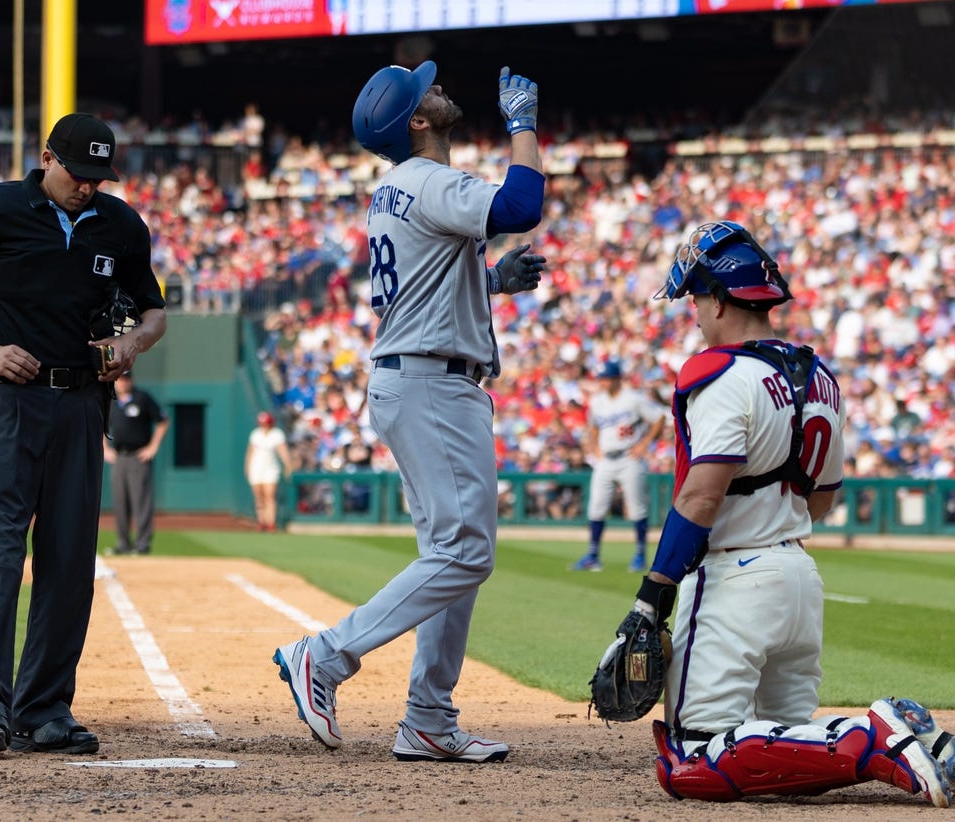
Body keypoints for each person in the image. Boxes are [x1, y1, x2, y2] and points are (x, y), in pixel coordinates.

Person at [614, 220, 955, 805]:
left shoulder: (718, 372)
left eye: (694, 296)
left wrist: (652, 592)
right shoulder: (821, 378)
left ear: (717, 299)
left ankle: (875, 739)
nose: (691, 310)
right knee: (789, 752)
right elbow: (822, 498)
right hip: (798, 579)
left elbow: (700, 496)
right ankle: (913, 745)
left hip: (733, 580)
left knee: (693, 759)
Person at [273, 62, 546, 762]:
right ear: (416, 122)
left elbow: (418, 286)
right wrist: (522, 126)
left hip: (419, 376)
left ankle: (428, 717)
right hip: (430, 384)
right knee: (464, 553)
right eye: (426, 89)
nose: (438, 86)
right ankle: (326, 656)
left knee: (451, 555)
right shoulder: (425, 179)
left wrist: (490, 283)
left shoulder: (396, 190)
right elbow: (520, 209)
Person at [0, 112, 167, 756]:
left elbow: (153, 310)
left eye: (99, 176)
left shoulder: (121, 225)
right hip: (9, 400)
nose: (88, 186)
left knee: (68, 560)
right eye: (78, 173)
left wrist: (133, 342)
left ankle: (43, 709)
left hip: (82, 405)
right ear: (46, 158)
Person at [570, 361, 666, 573]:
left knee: (637, 507)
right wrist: (594, 448)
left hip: (629, 457)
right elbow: (593, 426)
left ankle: (640, 554)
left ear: (617, 378)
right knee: (596, 507)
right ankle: (593, 556)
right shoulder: (597, 401)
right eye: (601, 378)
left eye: (606, 378)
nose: (603, 382)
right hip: (606, 459)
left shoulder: (633, 399)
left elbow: (659, 418)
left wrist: (644, 444)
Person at [102, 371, 170, 555]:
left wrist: (153, 447)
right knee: (120, 501)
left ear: (131, 380)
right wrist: (105, 449)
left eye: (126, 379)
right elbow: (101, 424)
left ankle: (142, 544)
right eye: (120, 379)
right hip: (119, 456)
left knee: (141, 501)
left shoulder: (142, 398)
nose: (123, 383)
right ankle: (123, 544)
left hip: (138, 457)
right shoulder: (111, 400)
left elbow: (163, 420)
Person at [244, 411, 292, 531]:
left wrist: (288, 465)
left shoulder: (277, 434)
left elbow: (282, 450)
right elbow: (250, 452)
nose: (264, 426)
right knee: (259, 497)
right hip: (256, 468)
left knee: (269, 496)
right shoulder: (255, 434)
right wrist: (247, 467)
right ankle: (261, 521)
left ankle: (271, 522)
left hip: (270, 469)